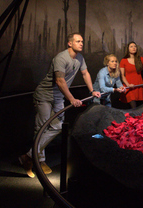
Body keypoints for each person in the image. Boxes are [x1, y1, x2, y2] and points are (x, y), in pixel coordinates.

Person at [19, 33, 101, 178]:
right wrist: (71, 98)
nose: (81, 43)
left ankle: (29, 156)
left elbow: (85, 73)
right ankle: (40, 161)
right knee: (42, 127)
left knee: (57, 127)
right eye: (78, 41)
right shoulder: (61, 58)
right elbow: (60, 81)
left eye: (82, 41)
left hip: (58, 97)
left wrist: (92, 90)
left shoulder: (80, 58)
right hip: (44, 96)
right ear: (70, 43)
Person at [120, 41, 143, 108]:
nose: (134, 48)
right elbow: (122, 75)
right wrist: (128, 85)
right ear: (128, 49)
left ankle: (137, 117)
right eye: (131, 46)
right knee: (133, 104)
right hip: (129, 86)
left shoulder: (141, 59)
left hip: (139, 84)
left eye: (135, 46)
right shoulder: (123, 60)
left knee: (140, 106)